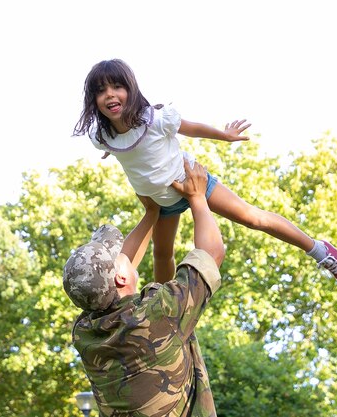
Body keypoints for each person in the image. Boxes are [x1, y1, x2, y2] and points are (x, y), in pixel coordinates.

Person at [73, 58, 337, 285]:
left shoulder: (155, 120)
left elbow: (192, 128)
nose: (110, 94)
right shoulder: (102, 136)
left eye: (116, 87)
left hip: (193, 182)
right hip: (161, 202)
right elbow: (127, 148)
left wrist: (224, 135)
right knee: (162, 254)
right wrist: (116, 148)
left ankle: (319, 250)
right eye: (101, 90)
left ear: (131, 91)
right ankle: (166, 308)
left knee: (253, 217)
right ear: (93, 99)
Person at [63, 160, 224, 416]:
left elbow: (117, 279)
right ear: (121, 278)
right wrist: (197, 197)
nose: (124, 253)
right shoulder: (158, 314)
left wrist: (151, 213)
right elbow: (212, 253)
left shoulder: (85, 333)